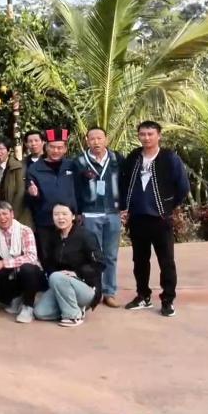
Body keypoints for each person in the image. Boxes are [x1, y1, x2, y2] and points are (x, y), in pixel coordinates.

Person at [119, 120, 190, 317]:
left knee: (166, 261)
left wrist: (168, 206)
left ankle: (168, 300)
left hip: (161, 219)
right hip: (137, 218)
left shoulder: (169, 158)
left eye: (150, 134)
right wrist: (125, 207)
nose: (146, 138)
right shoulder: (133, 157)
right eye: (142, 134)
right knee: (139, 260)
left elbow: (183, 187)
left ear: (159, 136)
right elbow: (123, 183)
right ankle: (143, 296)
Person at [74, 127, 125, 307]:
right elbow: (75, 188)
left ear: (106, 139)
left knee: (111, 255)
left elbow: (125, 183)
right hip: (90, 214)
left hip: (113, 213)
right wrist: (78, 212)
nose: (96, 142)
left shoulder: (117, 159)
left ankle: (109, 292)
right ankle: (93, 291)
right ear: (87, 141)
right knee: (92, 255)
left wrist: (124, 206)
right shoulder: (79, 161)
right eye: (92, 139)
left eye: (99, 138)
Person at [34, 203, 105, 327]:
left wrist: (77, 273)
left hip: (86, 287)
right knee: (40, 313)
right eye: (56, 214)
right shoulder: (54, 237)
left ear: (73, 216)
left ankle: (73, 316)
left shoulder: (85, 235)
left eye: (64, 214)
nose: (60, 217)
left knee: (56, 276)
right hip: (61, 284)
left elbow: (99, 264)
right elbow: (49, 263)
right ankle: (75, 308)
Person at [0, 201, 46, 324]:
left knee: (27, 268)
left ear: (12, 214)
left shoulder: (25, 230)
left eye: (5, 213)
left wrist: (3, 263)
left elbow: (31, 257)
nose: (2, 218)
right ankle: (16, 298)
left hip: (32, 273)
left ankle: (28, 306)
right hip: (12, 273)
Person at [26, 128, 78, 262]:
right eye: (52, 147)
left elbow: (80, 190)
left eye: (60, 148)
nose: (56, 151)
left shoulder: (72, 166)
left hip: (69, 220)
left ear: (65, 149)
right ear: (46, 147)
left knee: (72, 255)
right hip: (45, 220)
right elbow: (30, 198)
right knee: (48, 257)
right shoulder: (34, 169)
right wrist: (33, 194)